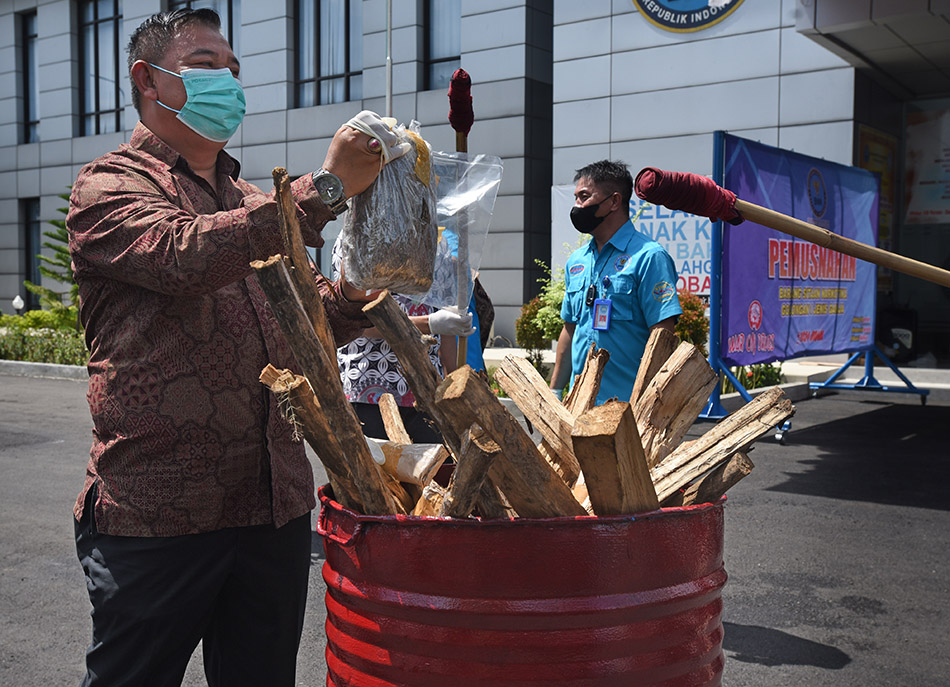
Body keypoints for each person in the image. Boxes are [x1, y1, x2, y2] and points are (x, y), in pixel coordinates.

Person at [66, 10, 406, 686]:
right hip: (160, 512)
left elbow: (312, 323)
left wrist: (368, 275)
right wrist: (326, 187)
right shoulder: (108, 186)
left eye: (234, 68)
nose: (230, 79)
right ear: (148, 79)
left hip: (271, 510)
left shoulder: (255, 200)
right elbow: (183, 254)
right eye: (206, 64)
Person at [549, 160, 682, 405]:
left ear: (613, 201)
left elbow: (662, 334)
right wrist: (555, 392)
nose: (577, 206)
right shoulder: (577, 260)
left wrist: (650, 402)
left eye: (585, 197)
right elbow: (570, 329)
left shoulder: (649, 256)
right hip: (577, 405)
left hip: (626, 407)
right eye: (576, 198)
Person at [330, 234, 473, 443]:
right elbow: (356, 321)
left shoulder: (436, 244)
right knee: (376, 472)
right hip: (367, 385)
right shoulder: (356, 237)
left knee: (430, 472)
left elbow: (447, 330)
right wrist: (429, 323)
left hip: (425, 389)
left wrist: (455, 390)